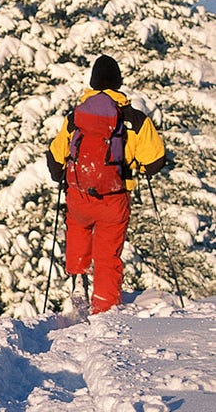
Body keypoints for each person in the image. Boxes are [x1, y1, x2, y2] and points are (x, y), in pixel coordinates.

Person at [46, 54, 166, 314]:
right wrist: (140, 166)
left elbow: (56, 158)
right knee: (107, 253)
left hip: (79, 196)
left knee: (77, 229)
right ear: (118, 83)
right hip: (114, 197)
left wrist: (62, 177)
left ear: (93, 83)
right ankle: (105, 307)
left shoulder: (75, 117)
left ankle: (78, 278)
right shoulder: (134, 119)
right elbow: (156, 160)